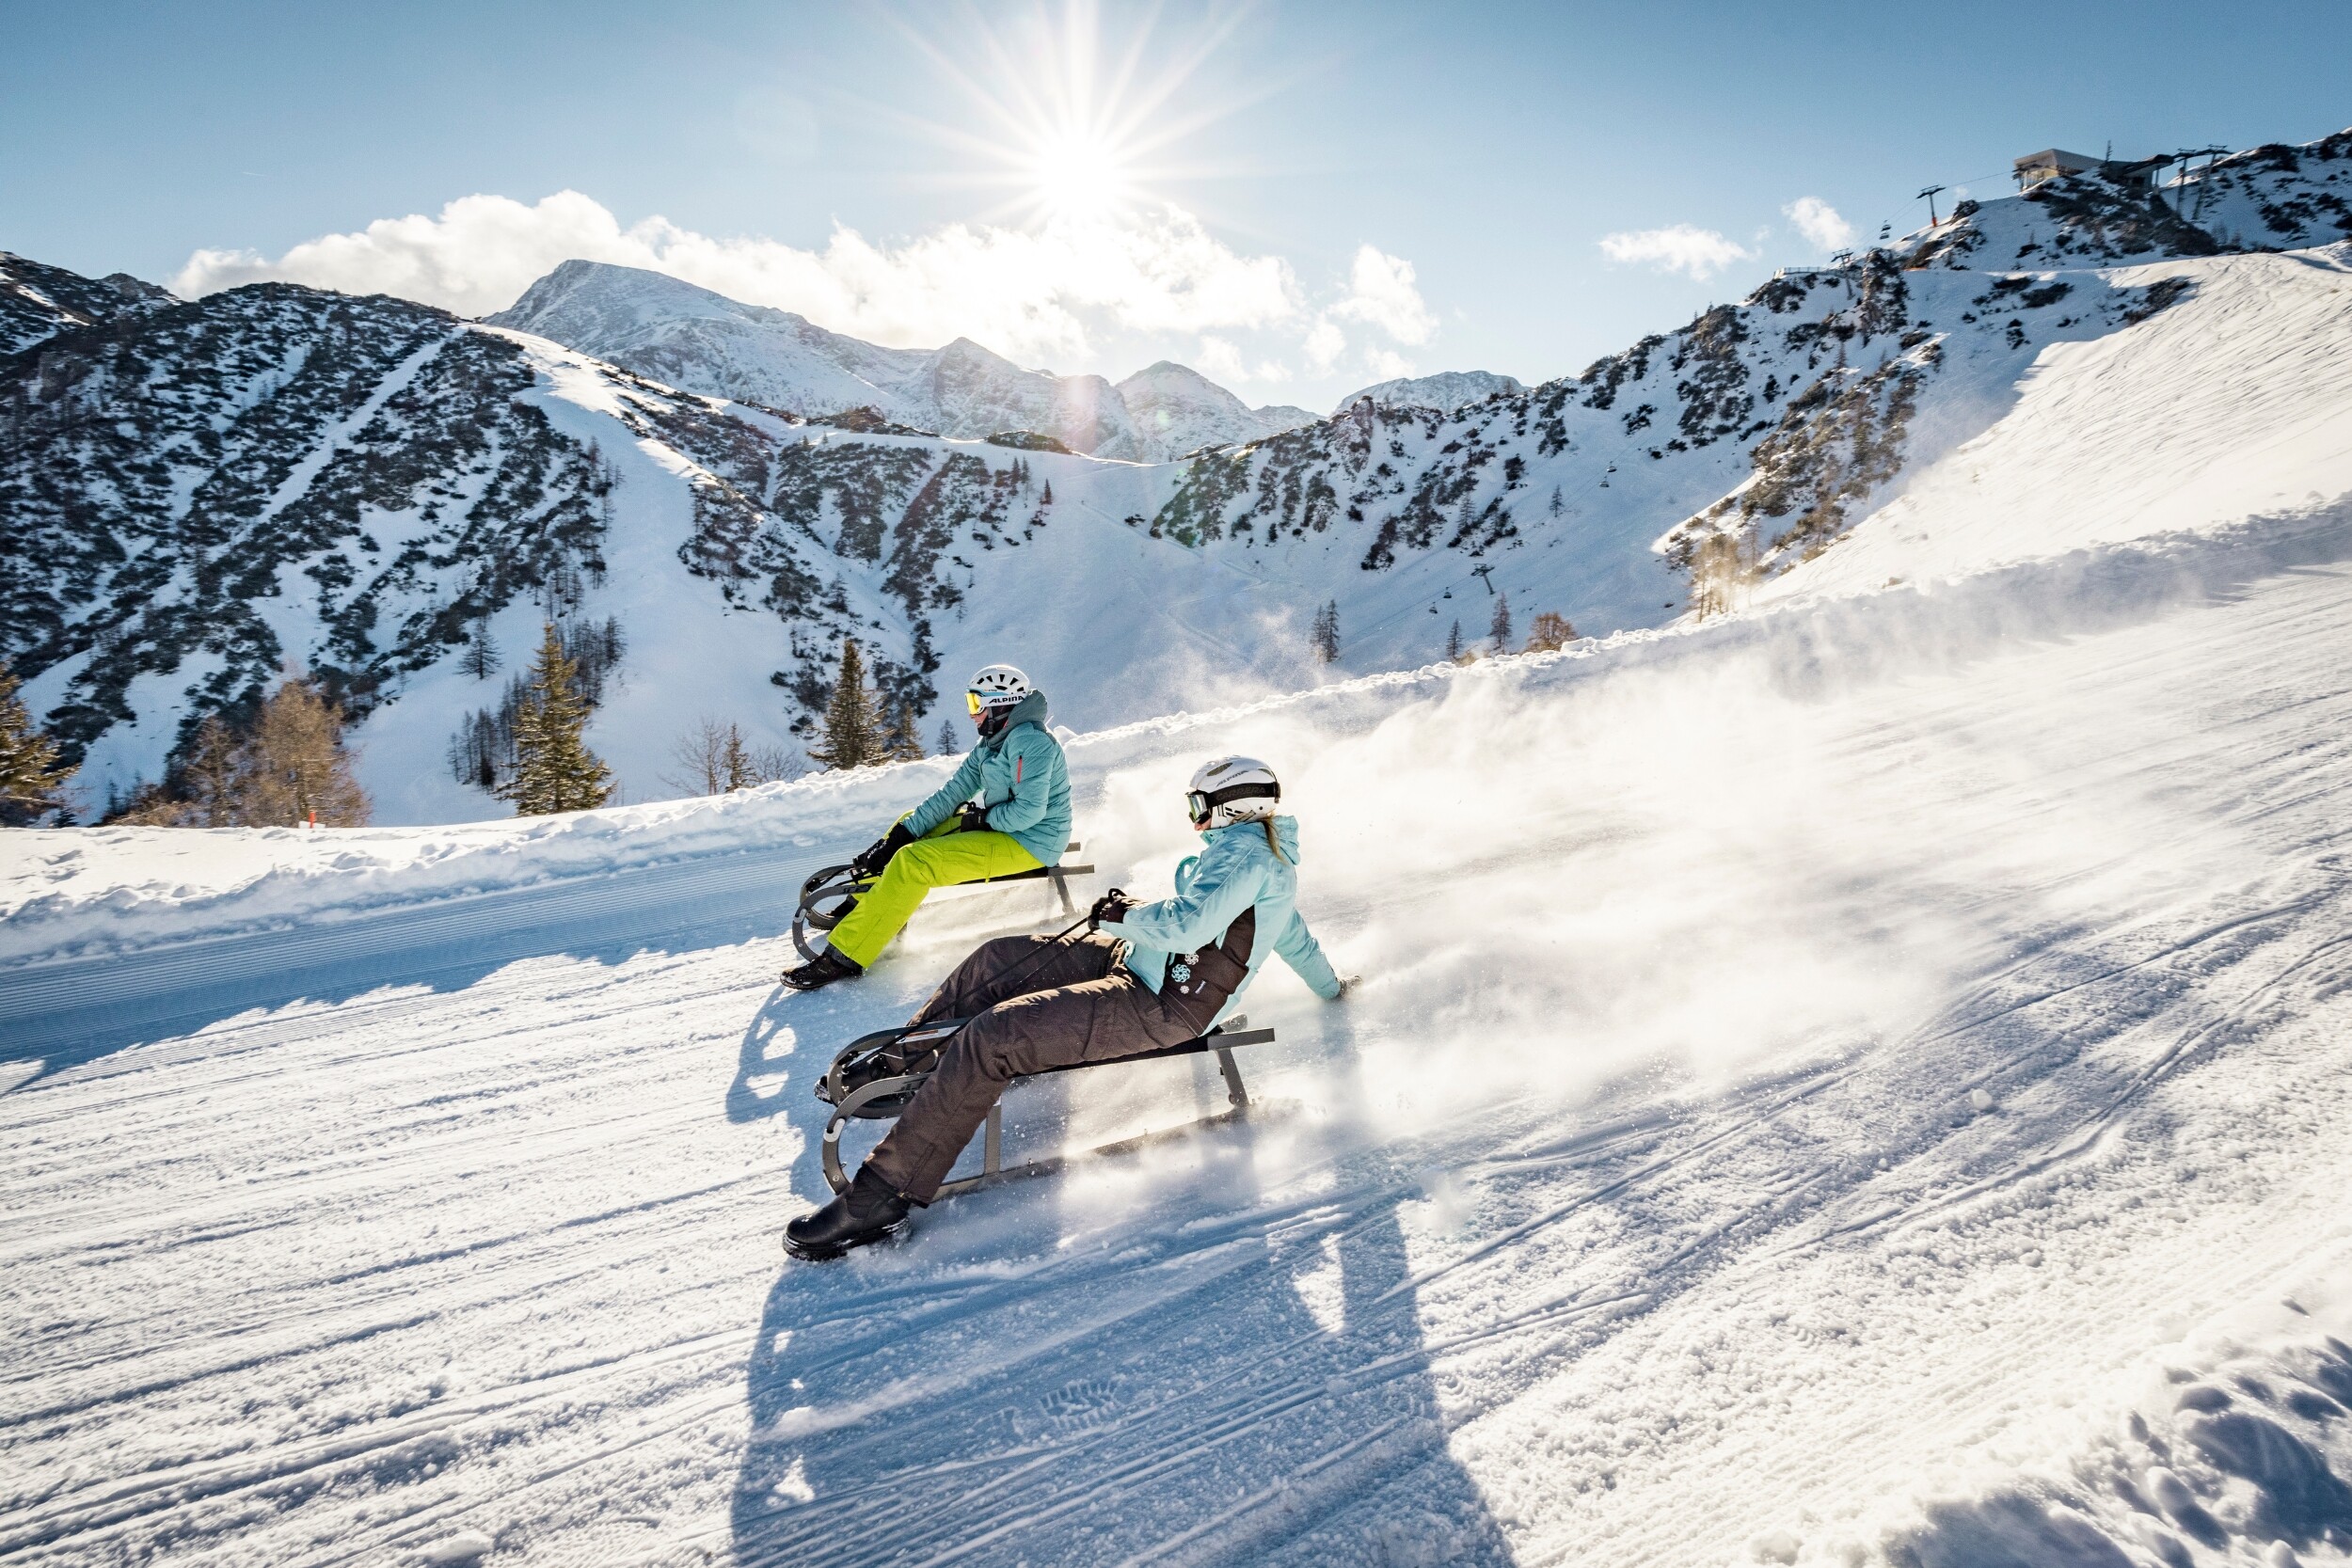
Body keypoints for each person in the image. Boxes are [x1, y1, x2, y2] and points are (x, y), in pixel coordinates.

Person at [786, 754, 1353, 1259]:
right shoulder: (1255, 859)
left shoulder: (1249, 860)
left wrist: (1121, 915)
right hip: (1133, 959)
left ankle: (882, 1195)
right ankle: (906, 1067)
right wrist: (1332, 987)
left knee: (997, 1036)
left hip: (1160, 1004)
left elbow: (1190, 926)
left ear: (1234, 806)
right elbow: (1293, 939)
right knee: (995, 960)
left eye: (1198, 804)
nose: (1193, 815)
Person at [781, 664, 1071, 991]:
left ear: (1001, 705)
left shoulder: (1031, 743)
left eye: (977, 705)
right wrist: (897, 837)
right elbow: (951, 795)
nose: (973, 715)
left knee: (916, 863)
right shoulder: (993, 743)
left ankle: (846, 956)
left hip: (1031, 842)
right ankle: (866, 904)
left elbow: (1028, 813)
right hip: (1005, 830)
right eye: (970, 704)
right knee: (909, 825)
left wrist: (984, 819)